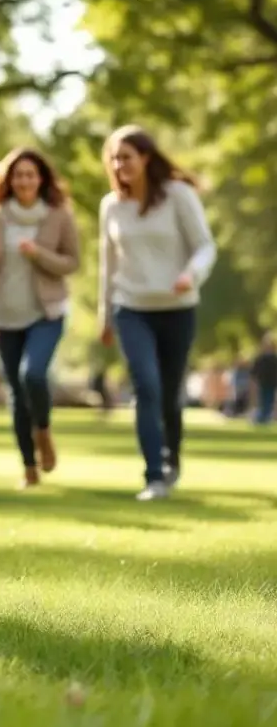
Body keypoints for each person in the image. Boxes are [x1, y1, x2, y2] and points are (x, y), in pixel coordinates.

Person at [98, 125, 216, 501]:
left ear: (146, 158)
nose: (120, 165)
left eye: (127, 157)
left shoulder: (178, 195)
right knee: (145, 387)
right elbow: (107, 265)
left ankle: (172, 459)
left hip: (177, 308)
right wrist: (105, 316)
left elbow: (205, 246)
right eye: (114, 158)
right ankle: (153, 476)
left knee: (169, 395)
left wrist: (190, 274)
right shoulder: (111, 205)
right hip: (131, 307)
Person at [0, 148, 80, 488]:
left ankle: (44, 431)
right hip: (4, 315)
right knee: (17, 391)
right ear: (9, 180)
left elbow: (72, 262)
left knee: (33, 375)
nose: (24, 180)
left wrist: (39, 254)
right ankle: (29, 467)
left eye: (30, 174)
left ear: (41, 179)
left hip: (47, 312)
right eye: (18, 175)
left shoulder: (59, 216)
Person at [251, 333, 276, 424]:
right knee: (262, 400)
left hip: (271, 382)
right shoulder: (260, 359)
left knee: (269, 400)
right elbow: (254, 372)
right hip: (262, 382)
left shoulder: (273, 358)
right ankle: (262, 416)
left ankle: (265, 416)